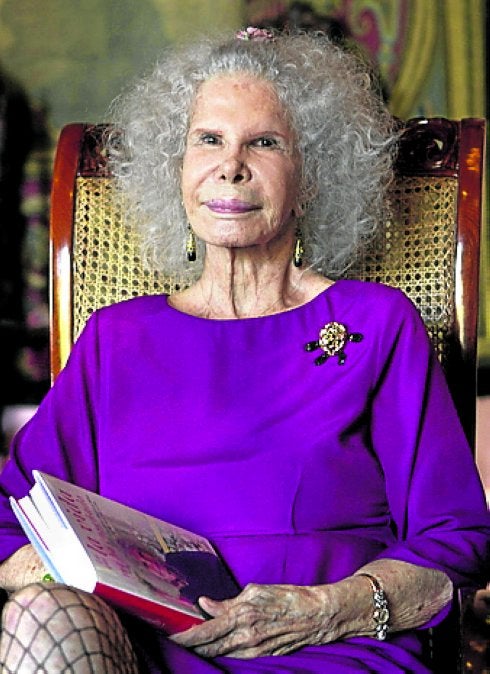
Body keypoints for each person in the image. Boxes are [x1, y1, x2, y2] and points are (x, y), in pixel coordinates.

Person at [0, 28, 488, 673]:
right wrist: (69, 574)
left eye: (264, 142)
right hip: (137, 652)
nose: (230, 165)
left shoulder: (376, 323)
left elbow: (453, 539)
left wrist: (325, 609)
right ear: (176, 168)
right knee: (40, 615)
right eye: (208, 139)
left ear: (311, 175)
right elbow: (12, 518)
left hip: (320, 646)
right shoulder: (115, 338)